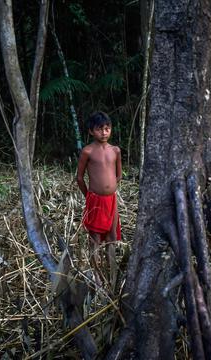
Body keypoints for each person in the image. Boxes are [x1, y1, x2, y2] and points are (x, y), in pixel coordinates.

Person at [76, 111, 121, 288]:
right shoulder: (87, 151)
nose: (104, 132)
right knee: (94, 238)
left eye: (107, 128)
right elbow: (79, 178)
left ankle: (113, 275)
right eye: (100, 129)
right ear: (91, 131)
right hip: (95, 200)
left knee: (112, 236)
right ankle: (97, 276)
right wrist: (89, 196)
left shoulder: (115, 150)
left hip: (112, 200)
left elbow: (118, 175)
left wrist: (111, 188)